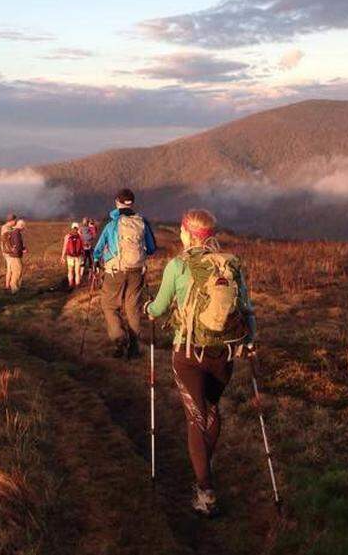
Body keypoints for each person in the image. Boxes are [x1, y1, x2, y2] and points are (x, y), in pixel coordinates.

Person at [144, 208, 255, 518]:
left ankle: (205, 491)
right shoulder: (230, 265)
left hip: (189, 354)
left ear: (186, 233)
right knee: (212, 409)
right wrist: (250, 341)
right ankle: (206, 467)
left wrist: (149, 310)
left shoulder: (178, 266)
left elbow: (160, 306)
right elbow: (247, 308)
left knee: (196, 416)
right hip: (224, 354)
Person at [92, 188, 157, 359]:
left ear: (117, 202)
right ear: (132, 202)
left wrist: (96, 260)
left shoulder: (111, 223)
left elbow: (97, 249)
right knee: (132, 307)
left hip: (115, 272)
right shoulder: (142, 222)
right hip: (136, 271)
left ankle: (120, 340)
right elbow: (151, 248)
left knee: (109, 306)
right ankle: (135, 347)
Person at [0, 216, 27, 294]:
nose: (15, 222)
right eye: (14, 220)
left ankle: (14, 287)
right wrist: (14, 249)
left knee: (16, 270)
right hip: (12, 254)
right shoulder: (8, 229)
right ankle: (12, 288)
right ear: (11, 221)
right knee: (15, 270)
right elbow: (7, 241)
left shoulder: (12, 230)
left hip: (11, 253)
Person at [62, 222, 85, 288]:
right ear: (78, 228)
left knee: (70, 271)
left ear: (72, 227)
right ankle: (77, 285)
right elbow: (82, 246)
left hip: (70, 256)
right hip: (78, 256)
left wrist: (62, 256)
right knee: (77, 272)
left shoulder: (67, 236)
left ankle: (70, 284)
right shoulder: (80, 236)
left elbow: (65, 247)